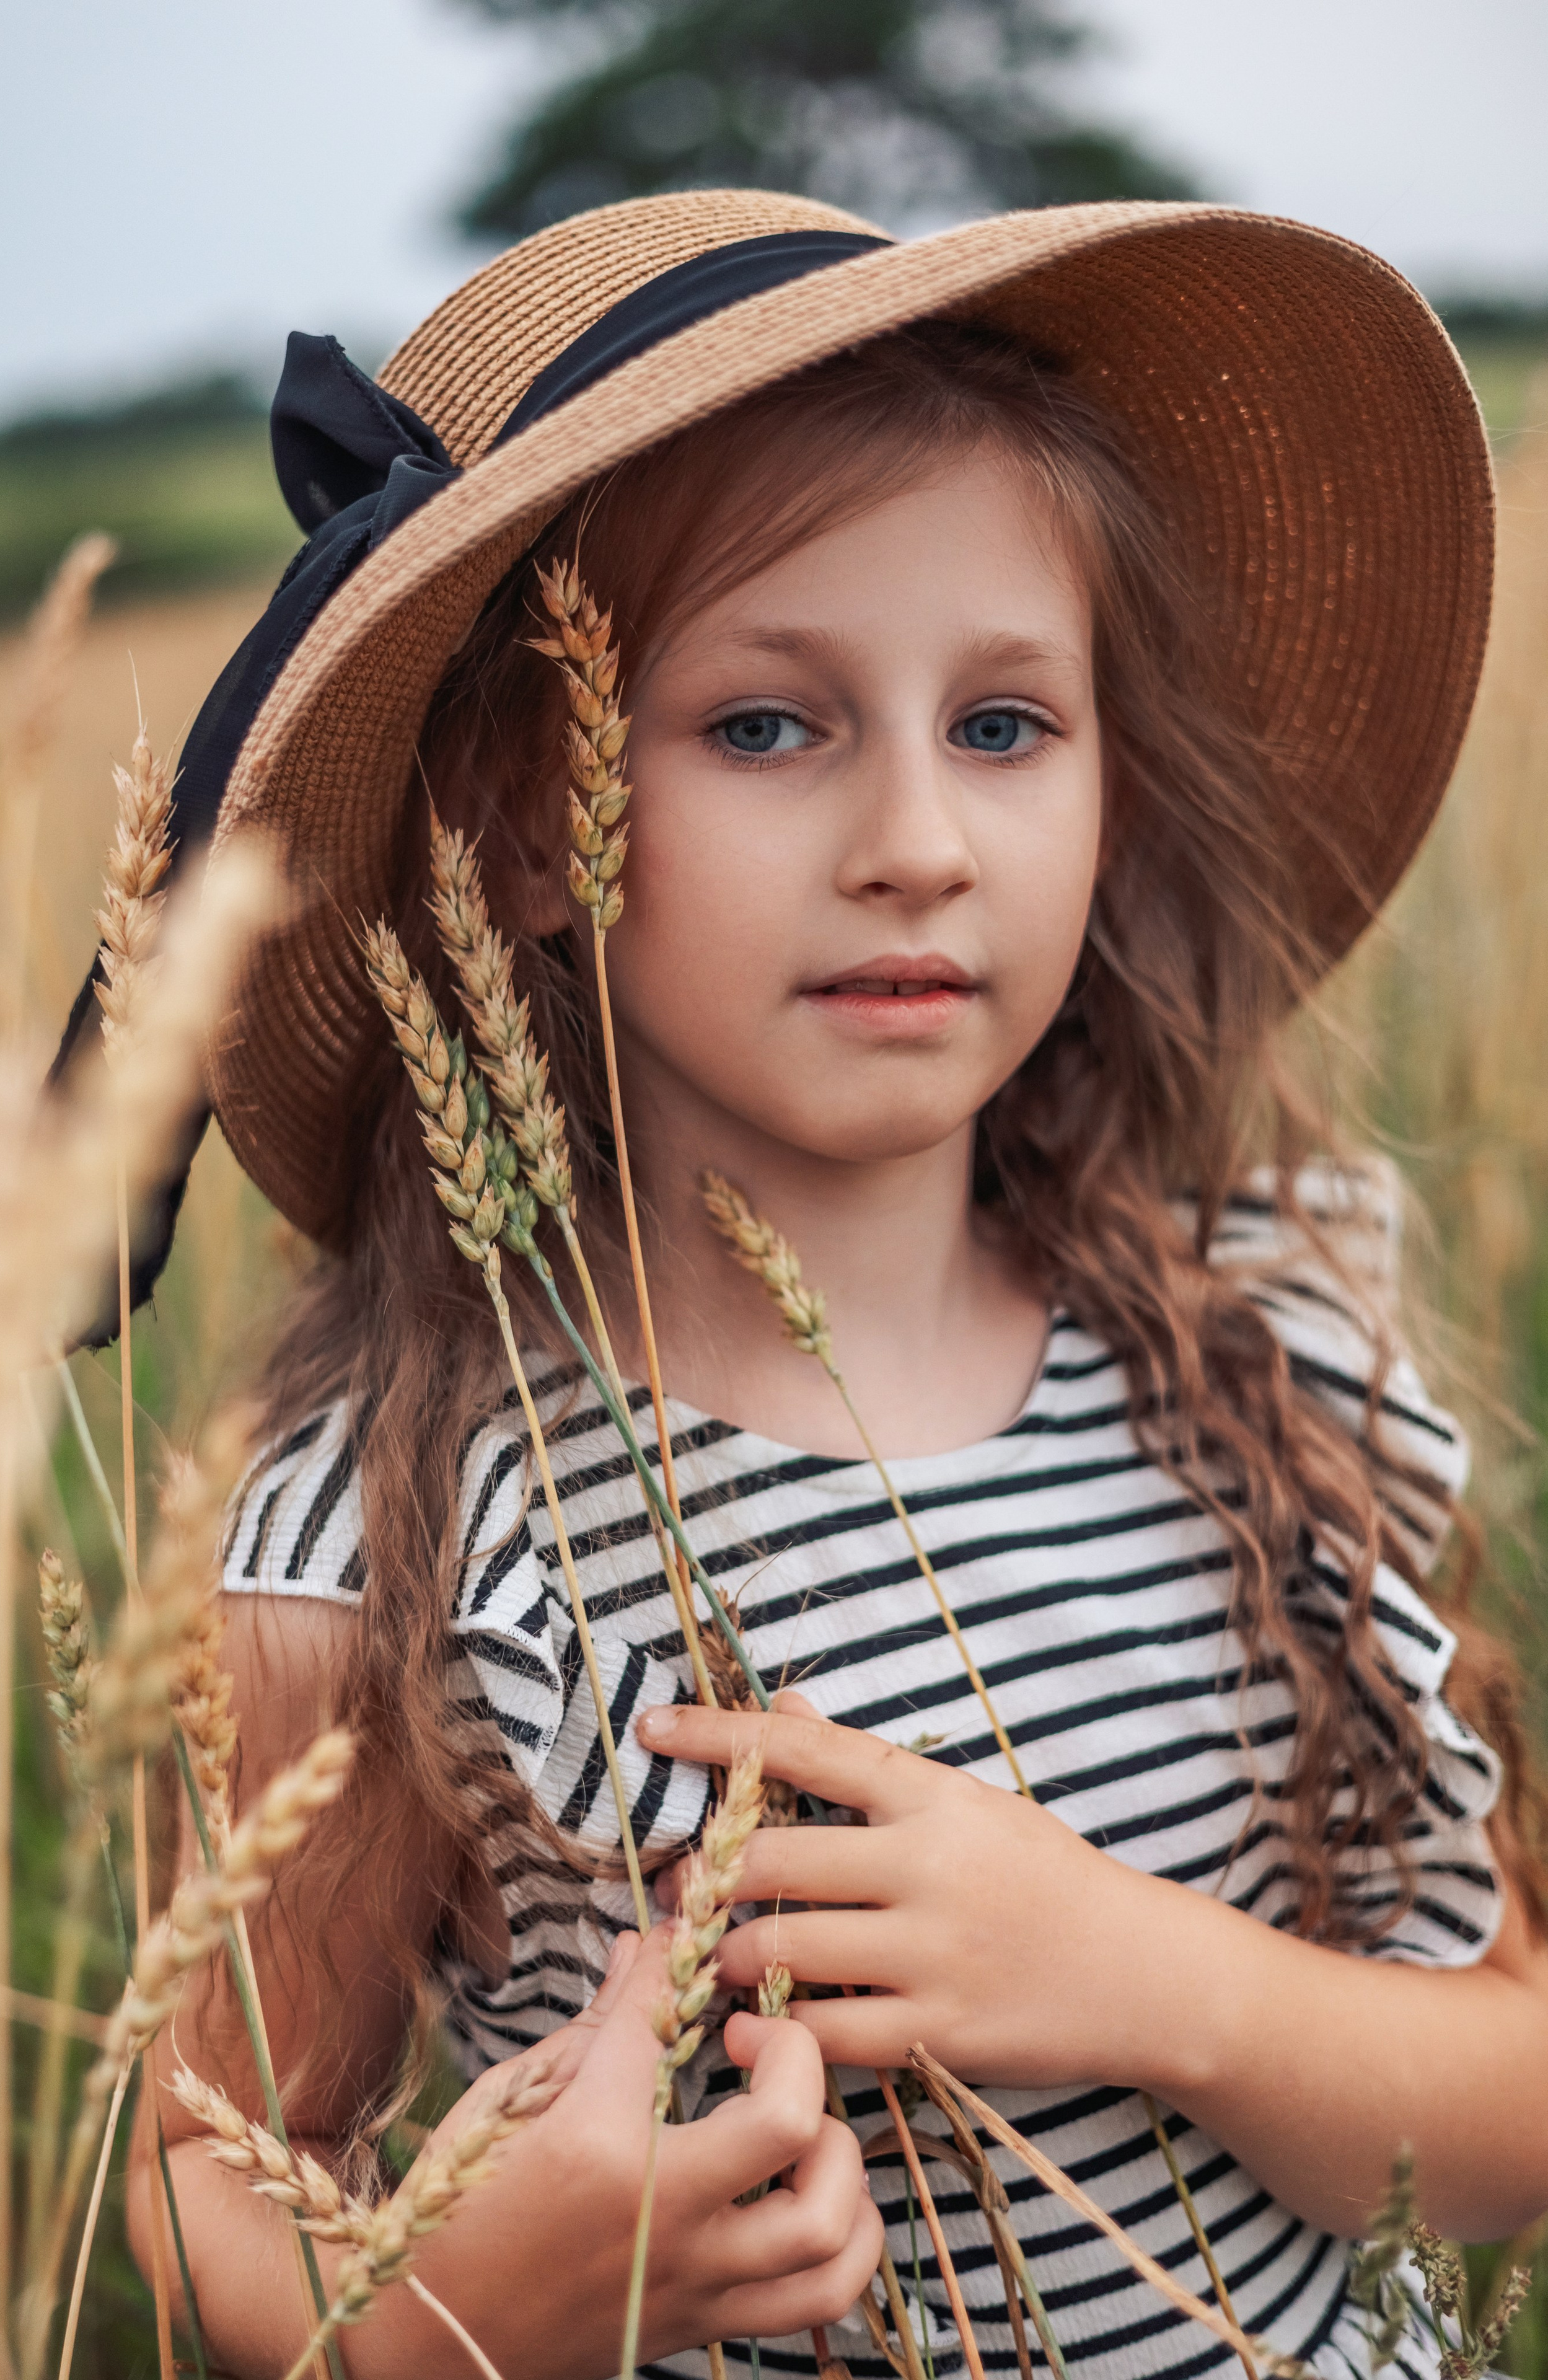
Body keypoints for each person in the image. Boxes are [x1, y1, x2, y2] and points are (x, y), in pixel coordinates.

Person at [120, 189, 1548, 2380]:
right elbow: (206, 2167)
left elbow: (1510, 2097)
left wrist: (1134, 1973)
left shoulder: (1271, 1370)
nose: (919, 840)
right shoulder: (405, 1525)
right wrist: (463, 2304)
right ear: (526, 822)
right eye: (769, 729)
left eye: (1004, 725)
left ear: (1114, 787)